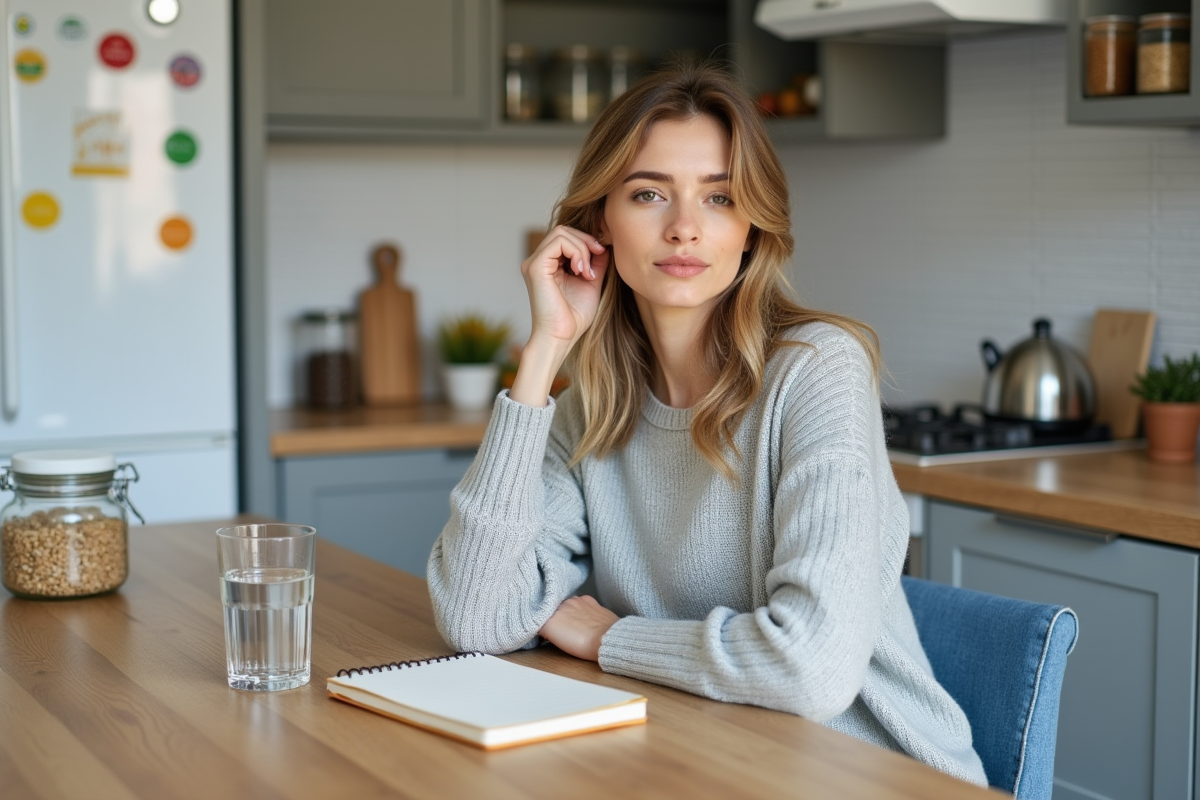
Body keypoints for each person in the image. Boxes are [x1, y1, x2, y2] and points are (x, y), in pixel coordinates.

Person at [427, 63, 987, 787]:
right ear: (599, 224)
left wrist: (612, 639)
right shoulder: (591, 409)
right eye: (649, 193)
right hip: (705, 757)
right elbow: (476, 616)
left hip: (869, 770)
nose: (684, 227)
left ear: (751, 229)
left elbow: (812, 670)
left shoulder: (818, 372)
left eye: (719, 197)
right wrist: (544, 353)